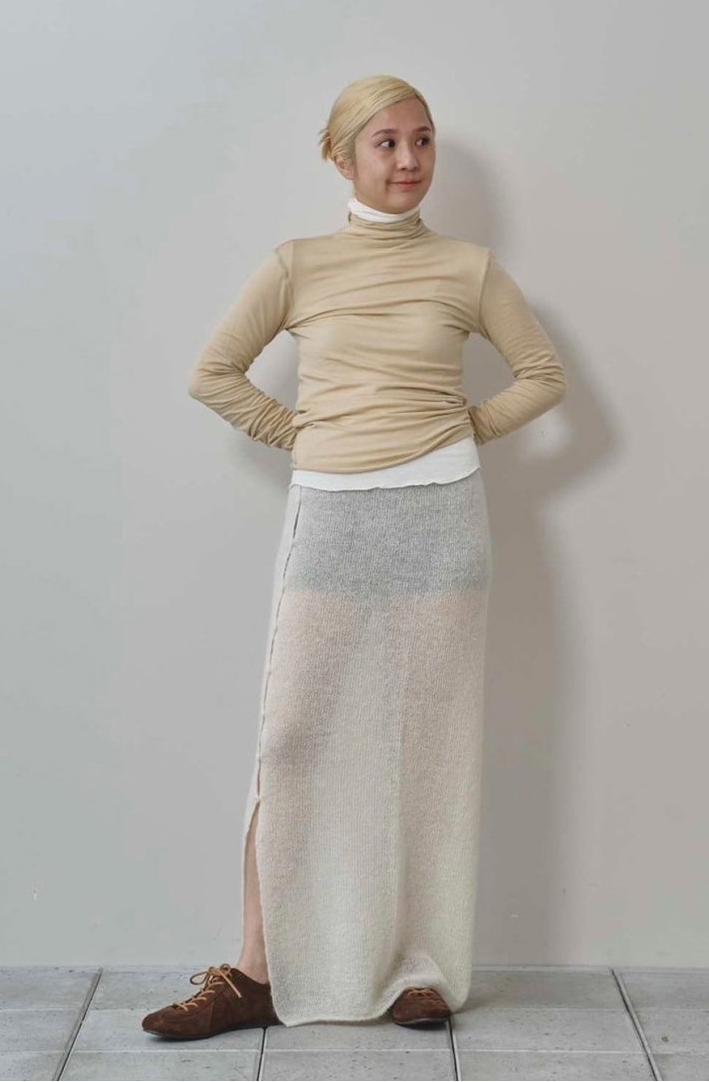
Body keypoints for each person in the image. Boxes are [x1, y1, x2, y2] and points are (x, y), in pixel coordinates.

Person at [142, 74, 566, 1039]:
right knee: (292, 738)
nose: (409, 159)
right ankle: (256, 972)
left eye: (423, 140)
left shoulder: (468, 268)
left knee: (430, 747)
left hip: (442, 521)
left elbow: (543, 376)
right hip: (332, 518)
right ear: (339, 157)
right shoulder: (298, 265)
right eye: (387, 142)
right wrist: (301, 433)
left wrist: (461, 428)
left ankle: (424, 969)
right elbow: (214, 372)